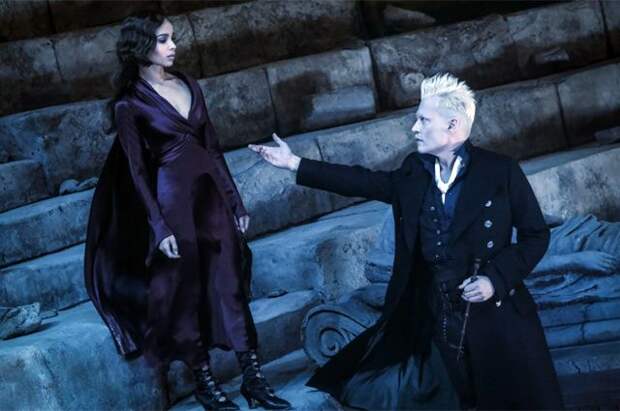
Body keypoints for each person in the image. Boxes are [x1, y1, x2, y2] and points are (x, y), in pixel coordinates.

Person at [249, 73, 565, 409]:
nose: (414, 128)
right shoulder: (415, 171)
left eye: (423, 120)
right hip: (432, 315)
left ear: (453, 125)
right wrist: (294, 163)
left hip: (494, 315)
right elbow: (363, 181)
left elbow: (535, 235)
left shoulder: (500, 171)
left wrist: (494, 280)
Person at [83, 12, 291, 411]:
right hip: (172, 203)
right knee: (187, 292)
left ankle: (254, 379)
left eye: (172, 37)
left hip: (211, 198)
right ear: (142, 46)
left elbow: (212, 147)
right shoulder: (129, 104)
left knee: (230, 284)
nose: (173, 45)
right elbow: (136, 170)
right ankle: (205, 382)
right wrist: (159, 226)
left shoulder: (188, 84)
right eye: (164, 39)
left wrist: (234, 200)